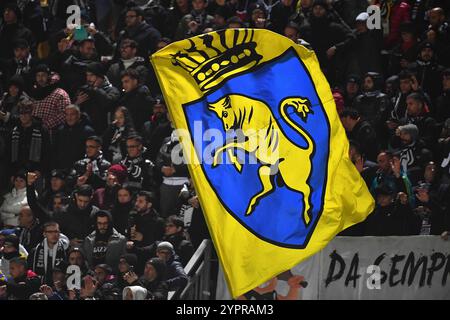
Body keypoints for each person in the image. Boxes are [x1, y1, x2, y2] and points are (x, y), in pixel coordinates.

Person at [298, 0, 355, 85]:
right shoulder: (306, 28)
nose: (318, 11)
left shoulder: (333, 27)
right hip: (310, 67)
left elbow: (351, 38)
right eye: (316, 8)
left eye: (320, 8)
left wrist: (336, 47)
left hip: (330, 68)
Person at [74, 62, 120, 133]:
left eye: (91, 75)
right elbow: (75, 110)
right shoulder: (84, 90)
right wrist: (77, 104)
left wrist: (96, 89)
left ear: (100, 77)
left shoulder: (112, 90)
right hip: (85, 130)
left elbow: (108, 103)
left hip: (103, 131)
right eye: (87, 75)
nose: (88, 78)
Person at [8, 101, 51, 174]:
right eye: (21, 113)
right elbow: (8, 152)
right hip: (17, 170)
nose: (23, 116)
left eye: (26, 113)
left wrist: (40, 170)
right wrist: (11, 172)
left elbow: (47, 151)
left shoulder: (41, 129)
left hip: (36, 170)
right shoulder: (15, 130)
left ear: (31, 113)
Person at [156, 127, 189, 217]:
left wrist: (177, 169)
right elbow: (159, 158)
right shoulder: (166, 140)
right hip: (166, 184)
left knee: (181, 215)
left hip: (184, 183)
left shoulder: (192, 140)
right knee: (165, 214)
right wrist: (162, 168)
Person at [29, 64, 71, 134]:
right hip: (34, 131)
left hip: (52, 133)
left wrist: (45, 125)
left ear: (48, 76)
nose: (40, 78)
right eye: (38, 75)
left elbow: (65, 114)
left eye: (43, 75)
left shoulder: (59, 93)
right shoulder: (34, 93)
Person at [52, 104, 96, 170]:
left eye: (72, 114)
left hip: (80, 170)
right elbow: (55, 151)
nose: (69, 118)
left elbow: (92, 153)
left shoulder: (88, 132)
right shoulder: (60, 130)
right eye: (67, 114)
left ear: (78, 115)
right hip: (61, 169)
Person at [142, 96, 173, 162]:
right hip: (151, 158)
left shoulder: (170, 125)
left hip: (165, 158)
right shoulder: (147, 125)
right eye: (155, 108)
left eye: (161, 107)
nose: (158, 110)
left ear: (166, 109)